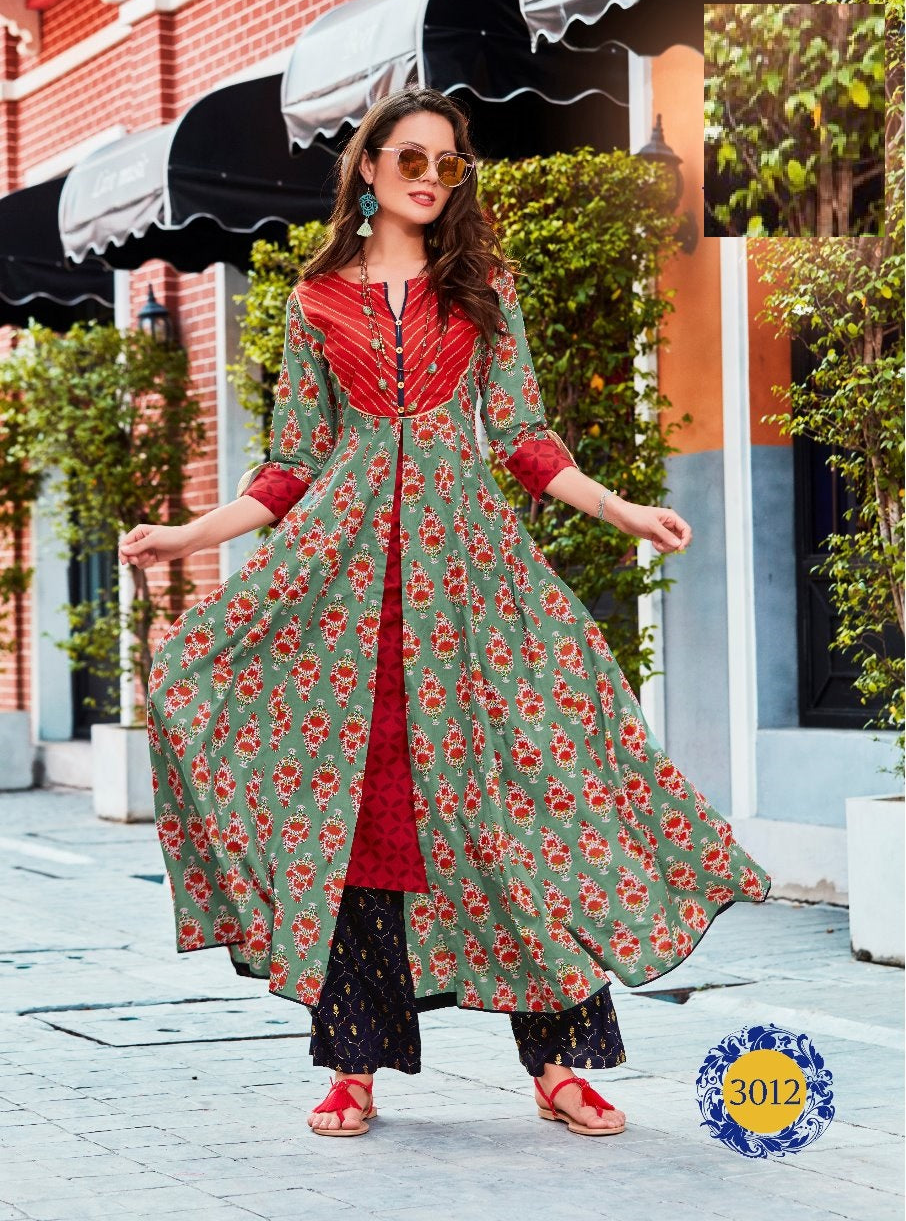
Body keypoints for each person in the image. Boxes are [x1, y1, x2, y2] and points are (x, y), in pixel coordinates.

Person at [121, 86, 771, 1141]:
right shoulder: (314, 301)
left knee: (517, 799)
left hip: (471, 587)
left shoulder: (481, 288)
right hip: (342, 603)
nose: (430, 178)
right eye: (411, 159)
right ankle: (351, 1066)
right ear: (369, 168)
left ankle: (557, 1064)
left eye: (448, 163)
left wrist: (621, 510)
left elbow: (524, 437)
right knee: (354, 816)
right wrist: (188, 535)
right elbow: (291, 463)